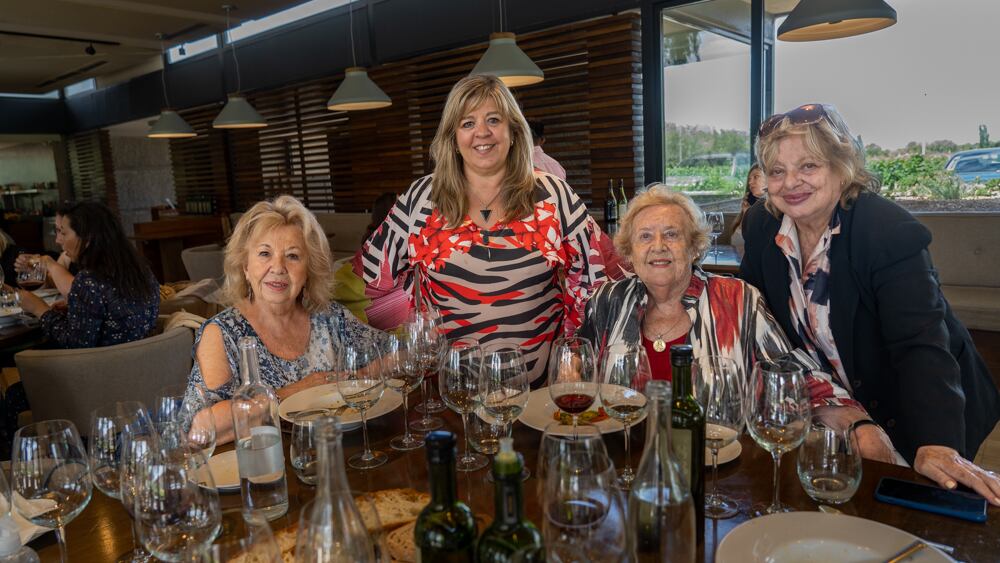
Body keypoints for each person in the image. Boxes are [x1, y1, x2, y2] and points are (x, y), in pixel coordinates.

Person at [740, 103, 1000, 504]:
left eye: (808, 166)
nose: (791, 182)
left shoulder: (886, 231)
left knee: (916, 515)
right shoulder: (762, 225)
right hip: (839, 402)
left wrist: (937, 442)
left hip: (915, 401)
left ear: (842, 168)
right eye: (777, 171)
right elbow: (755, 319)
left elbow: (920, 346)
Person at [361, 75, 611, 384]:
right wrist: (417, 327)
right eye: (467, 123)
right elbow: (373, 276)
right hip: (452, 395)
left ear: (513, 131)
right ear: (452, 137)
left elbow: (598, 278)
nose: (482, 132)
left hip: (540, 393)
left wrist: (573, 348)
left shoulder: (553, 194)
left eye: (494, 120)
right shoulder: (421, 198)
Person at [579, 186, 853, 406]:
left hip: (718, 463)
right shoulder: (608, 300)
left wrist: (847, 418)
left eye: (672, 234)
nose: (658, 246)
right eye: (645, 237)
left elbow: (792, 375)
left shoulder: (737, 299)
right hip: (627, 459)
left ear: (694, 247)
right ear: (629, 251)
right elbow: (579, 370)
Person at [188, 194, 388, 445]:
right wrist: (291, 393)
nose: (278, 267)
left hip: (334, 453)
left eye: (293, 256)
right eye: (264, 253)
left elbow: (392, 354)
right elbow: (202, 426)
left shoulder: (328, 317)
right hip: (258, 468)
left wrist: (354, 378)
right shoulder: (222, 333)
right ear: (245, 267)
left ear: (309, 269)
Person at [16, 201, 159, 348]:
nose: (59, 241)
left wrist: (39, 309)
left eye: (64, 233)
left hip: (104, 367)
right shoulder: (140, 270)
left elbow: (76, 345)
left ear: (88, 238)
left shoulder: (89, 280)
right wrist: (80, 308)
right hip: (143, 362)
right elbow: (119, 312)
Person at [728, 163, 765, 258]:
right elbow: (736, 241)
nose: (750, 182)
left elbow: (757, 243)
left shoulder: (774, 211)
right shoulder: (749, 209)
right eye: (749, 179)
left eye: (756, 177)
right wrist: (746, 213)